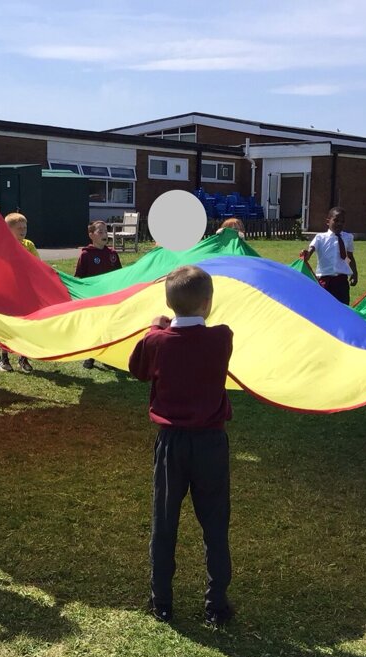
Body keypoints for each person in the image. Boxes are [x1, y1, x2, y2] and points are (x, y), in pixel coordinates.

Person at [129, 265, 235, 626]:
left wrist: (153, 327)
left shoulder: (156, 341)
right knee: (215, 523)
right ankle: (216, 605)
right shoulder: (222, 337)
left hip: (171, 444)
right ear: (208, 303)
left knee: (165, 521)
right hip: (210, 443)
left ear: (169, 304)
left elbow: (139, 369)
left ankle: (162, 602)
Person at [75, 220, 123, 369]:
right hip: (93, 299)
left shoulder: (112, 254)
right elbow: (79, 278)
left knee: (108, 326)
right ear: (91, 235)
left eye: (105, 231)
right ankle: (90, 356)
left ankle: (107, 357)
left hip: (110, 298)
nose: (104, 234)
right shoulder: (86, 255)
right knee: (93, 327)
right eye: (100, 232)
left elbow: (120, 275)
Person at [0, 212, 36, 374]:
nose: (23, 231)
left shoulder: (29, 245)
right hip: (8, 291)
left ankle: (23, 357)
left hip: (25, 291)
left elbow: (37, 265)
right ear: (8, 229)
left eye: (25, 227)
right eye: (19, 228)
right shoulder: (2, 245)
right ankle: (3, 358)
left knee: (25, 324)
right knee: (7, 325)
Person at [299, 207, 358, 305]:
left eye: (342, 221)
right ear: (328, 221)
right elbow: (310, 252)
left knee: (342, 308)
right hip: (325, 281)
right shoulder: (320, 238)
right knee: (324, 306)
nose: (339, 223)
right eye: (336, 220)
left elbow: (350, 257)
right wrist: (306, 253)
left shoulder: (348, 237)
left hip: (342, 281)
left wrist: (354, 273)